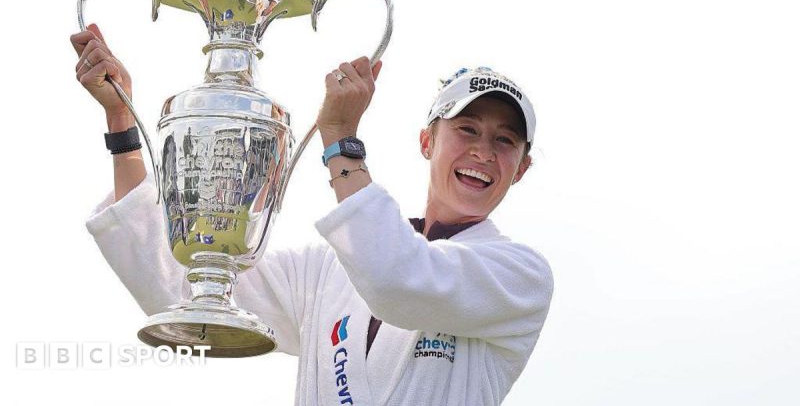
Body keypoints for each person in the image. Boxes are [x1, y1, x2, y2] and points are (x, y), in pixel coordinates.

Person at [71, 23, 554, 405]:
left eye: (505, 140)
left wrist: (341, 140)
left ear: (522, 168)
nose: (484, 152)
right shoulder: (327, 269)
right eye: (467, 129)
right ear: (428, 142)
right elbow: (181, 288)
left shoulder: (520, 277)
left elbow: (397, 279)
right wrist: (121, 124)